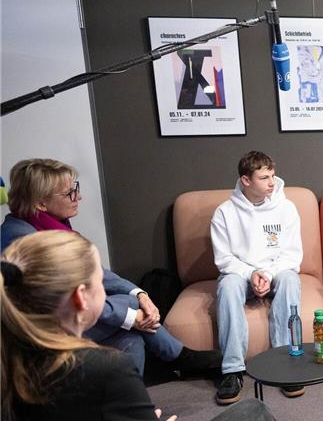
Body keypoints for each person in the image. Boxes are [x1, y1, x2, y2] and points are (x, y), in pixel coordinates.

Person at [1, 230, 299, 421]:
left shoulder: (10, 368)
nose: (107, 289)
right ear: (81, 298)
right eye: (100, 281)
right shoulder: (105, 370)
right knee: (254, 415)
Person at [1, 158, 218, 377]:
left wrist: (140, 293)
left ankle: (132, 401)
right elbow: (62, 300)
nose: (79, 197)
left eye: (75, 188)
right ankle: (179, 358)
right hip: (49, 329)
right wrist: (130, 316)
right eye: (69, 193)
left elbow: (99, 274)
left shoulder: (49, 224)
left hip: (76, 316)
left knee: (130, 337)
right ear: (40, 203)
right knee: (130, 315)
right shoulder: (22, 239)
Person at [211, 151, 303, 405]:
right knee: (228, 286)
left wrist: (268, 273)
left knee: (290, 279)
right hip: (241, 274)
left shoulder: (286, 208)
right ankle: (232, 371)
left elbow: (292, 255)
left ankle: (286, 360)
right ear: (246, 180)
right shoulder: (224, 213)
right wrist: (251, 273)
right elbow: (224, 259)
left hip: (276, 269)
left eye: (272, 176)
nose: (272, 182)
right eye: (264, 178)